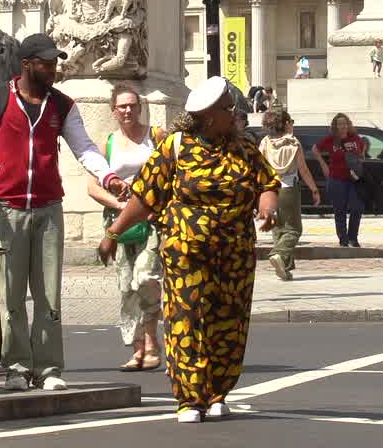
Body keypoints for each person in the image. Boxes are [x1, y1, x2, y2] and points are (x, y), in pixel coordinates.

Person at [98, 77, 280, 424]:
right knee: (187, 321)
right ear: (209, 117)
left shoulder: (244, 148)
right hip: (187, 253)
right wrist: (113, 233)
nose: (235, 115)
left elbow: (267, 183)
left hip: (235, 257)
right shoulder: (176, 148)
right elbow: (144, 196)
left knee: (228, 323)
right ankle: (188, 399)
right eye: (229, 110)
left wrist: (267, 207)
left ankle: (217, 392)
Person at [0, 33, 124, 392]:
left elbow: (83, 146)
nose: (54, 68)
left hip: (48, 207)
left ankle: (49, 367)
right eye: (46, 63)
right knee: (11, 295)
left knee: (49, 293)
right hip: (7, 208)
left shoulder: (62, 105)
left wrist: (107, 174)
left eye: (55, 62)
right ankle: (18, 366)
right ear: (26, 65)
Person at [87, 86, 162, 370]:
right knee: (126, 287)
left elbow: (170, 174)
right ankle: (137, 347)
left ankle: (153, 340)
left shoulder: (156, 137)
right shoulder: (108, 142)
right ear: (113, 111)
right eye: (122, 107)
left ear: (140, 107)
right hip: (118, 223)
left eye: (132, 105)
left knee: (146, 278)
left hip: (151, 221)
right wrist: (120, 207)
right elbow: (93, 186)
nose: (128, 110)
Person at [259, 107, 320, 281]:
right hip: (289, 188)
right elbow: (304, 170)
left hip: (270, 189)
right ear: (285, 124)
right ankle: (278, 253)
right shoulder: (293, 143)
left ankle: (284, 267)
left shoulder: (265, 143)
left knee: (278, 226)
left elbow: (258, 168)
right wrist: (314, 189)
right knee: (294, 229)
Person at [314, 114, 368, 248]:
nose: (343, 126)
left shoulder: (355, 139)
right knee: (340, 211)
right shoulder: (331, 140)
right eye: (340, 124)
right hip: (336, 179)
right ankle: (343, 240)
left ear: (348, 125)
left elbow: (362, 150)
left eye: (345, 123)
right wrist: (323, 164)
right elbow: (315, 149)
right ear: (335, 126)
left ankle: (353, 238)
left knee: (357, 207)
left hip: (354, 180)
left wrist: (360, 161)